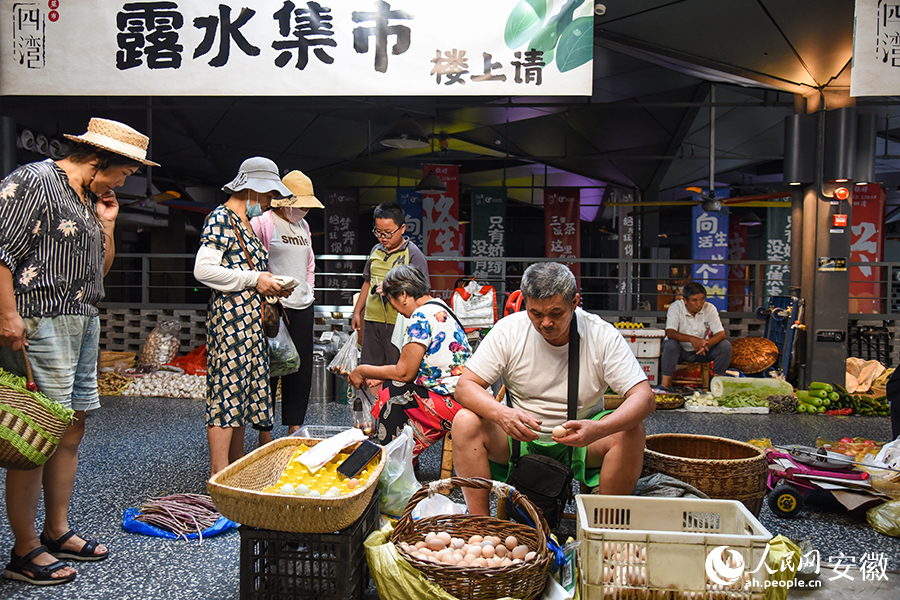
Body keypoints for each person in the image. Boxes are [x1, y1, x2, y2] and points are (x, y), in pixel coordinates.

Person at [0, 118, 154, 585]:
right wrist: (7, 315)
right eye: (123, 173)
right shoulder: (32, 180)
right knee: (37, 432)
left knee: (72, 424)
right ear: (97, 159)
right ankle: (23, 549)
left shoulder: (91, 199)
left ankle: (56, 530)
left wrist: (107, 224)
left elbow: (101, 268)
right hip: (39, 317)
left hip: (84, 317)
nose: (123, 182)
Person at [452, 262, 655, 515]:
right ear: (526, 302)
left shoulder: (602, 335)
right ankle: (480, 522)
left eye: (556, 313)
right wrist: (501, 414)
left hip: (584, 440)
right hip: (519, 440)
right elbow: (465, 387)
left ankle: (607, 527)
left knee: (631, 431)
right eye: (536, 313)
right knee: (464, 421)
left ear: (575, 302)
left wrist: (599, 428)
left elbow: (644, 398)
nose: (546, 323)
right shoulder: (509, 330)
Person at [193, 157, 292, 477]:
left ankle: (234, 470)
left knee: (241, 396)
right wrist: (255, 280)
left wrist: (270, 287)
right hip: (231, 323)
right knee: (226, 395)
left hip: (251, 325)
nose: (267, 203)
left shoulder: (244, 223)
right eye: (265, 197)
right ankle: (218, 474)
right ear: (251, 188)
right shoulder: (220, 218)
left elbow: (244, 271)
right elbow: (204, 270)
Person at [348, 265, 472, 456]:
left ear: (404, 295)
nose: (397, 310)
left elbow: (404, 372)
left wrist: (363, 370)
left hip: (454, 402)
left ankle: (393, 463)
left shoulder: (420, 316)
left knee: (392, 393)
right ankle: (402, 460)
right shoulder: (441, 307)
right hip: (465, 397)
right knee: (392, 385)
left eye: (391, 301)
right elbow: (424, 366)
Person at [250, 170, 323, 445]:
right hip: (272, 307)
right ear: (284, 200)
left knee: (300, 369)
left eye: (308, 206)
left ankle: (295, 427)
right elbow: (254, 263)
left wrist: (309, 291)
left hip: (302, 305)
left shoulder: (303, 227)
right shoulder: (263, 222)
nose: (305, 210)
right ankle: (264, 431)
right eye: (301, 204)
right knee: (270, 366)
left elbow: (310, 264)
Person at [351, 202, 430, 370]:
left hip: (399, 322)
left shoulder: (413, 253)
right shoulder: (375, 251)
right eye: (378, 232)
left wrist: (391, 287)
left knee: (396, 368)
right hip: (372, 319)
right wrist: (357, 311)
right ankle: (372, 398)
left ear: (402, 228)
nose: (383, 237)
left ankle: (392, 398)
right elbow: (367, 282)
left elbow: (422, 291)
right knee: (370, 369)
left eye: (388, 233)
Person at [657, 281, 733, 391]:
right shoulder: (676, 307)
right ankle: (665, 385)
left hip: (702, 351)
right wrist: (692, 339)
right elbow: (671, 332)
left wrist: (705, 343)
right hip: (680, 351)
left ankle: (717, 384)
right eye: (694, 300)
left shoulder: (710, 308)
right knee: (670, 344)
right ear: (685, 301)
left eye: (702, 299)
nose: (699, 304)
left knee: (725, 346)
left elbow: (721, 334)